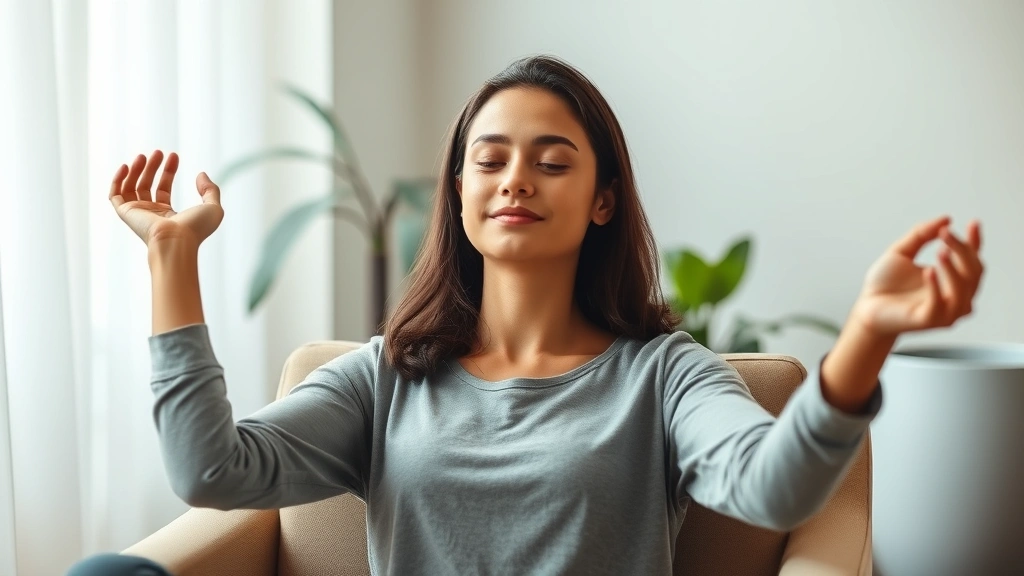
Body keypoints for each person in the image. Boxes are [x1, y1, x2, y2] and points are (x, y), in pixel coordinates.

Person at [68, 55, 985, 575]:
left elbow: (772, 490)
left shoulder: (664, 374)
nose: (515, 178)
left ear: (602, 200)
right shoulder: (386, 377)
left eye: (552, 160)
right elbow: (210, 468)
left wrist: (864, 339)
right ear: (460, 192)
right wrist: (171, 260)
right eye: (491, 158)